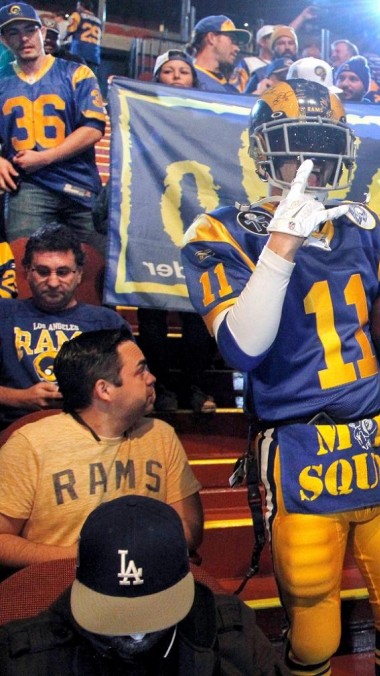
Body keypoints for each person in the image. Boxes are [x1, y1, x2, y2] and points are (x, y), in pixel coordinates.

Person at [181, 78, 380, 676]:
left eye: (323, 145)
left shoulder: (364, 227)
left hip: (375, 437)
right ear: (262, 150)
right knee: (313, 631)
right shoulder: (222, 229)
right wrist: (281, 245)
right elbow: (241, 347)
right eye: (295, 146)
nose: (310, 162)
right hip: (299, 441)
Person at [0, 494, 286, 674]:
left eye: (154, 613)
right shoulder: (22, 658)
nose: (137, 635)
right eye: (116, 616)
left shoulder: (232, 635)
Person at [0, 327, 203, 570]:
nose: (152, 378)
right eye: (141, 371)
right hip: (62, 586)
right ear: (104, 390)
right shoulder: (31, 444)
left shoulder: (161, 435)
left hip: (147, 579)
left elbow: (189, 527)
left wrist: (134, 555)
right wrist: (85, 557)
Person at [136, 50, 217, 413]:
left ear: (194, 80)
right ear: (157, 79)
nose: (175, 76)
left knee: (197, 309)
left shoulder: (206, 121)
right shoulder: (139, 117)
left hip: (195, 222)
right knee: (151, 309)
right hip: (151, 221)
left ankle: (194, 387)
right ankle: (163, 388)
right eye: (167, 71)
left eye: (183, 71)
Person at [0, 2, 107, 253]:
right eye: (14, 32)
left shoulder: (77, 72)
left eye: (29, 29)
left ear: (43, 32)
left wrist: (45, 158)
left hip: (79, 183)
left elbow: (93, 129)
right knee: (24, 265)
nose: (24, 38)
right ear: (4, 39)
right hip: (27, 186)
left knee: (100, 268)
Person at [0, 223, 128, 429]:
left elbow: (140, 391)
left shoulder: (108, 322)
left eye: (63, 272)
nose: (52, 282)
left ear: (78, 274)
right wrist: (20, 398)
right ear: (27, 272)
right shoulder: (4, 314)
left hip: (91, 434)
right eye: (42, 271)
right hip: (18, 430)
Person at [188, 14, 249, 93]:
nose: (237, 48)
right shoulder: (186, 78)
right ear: (211, 38)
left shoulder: (230, 88)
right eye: (233, 40)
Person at [244, 26, 297, 95]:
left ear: (296, 47)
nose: (287, 47)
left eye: (291, 43)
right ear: (273, 48)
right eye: (281, 43)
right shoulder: (259, 73)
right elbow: (243, 100)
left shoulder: (305, 71)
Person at [232, 23, 274, 93]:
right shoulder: (247, 63)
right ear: (261, 42)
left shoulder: (281, 65)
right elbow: (236, 94)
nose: (275, 42)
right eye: (272, 38)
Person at [62, 0, 100, 69]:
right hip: (94, 56)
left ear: (81, 6)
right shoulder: (98, 21)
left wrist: (64, 38)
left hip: (79, 52)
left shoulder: (77, 15)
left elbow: (70, 30)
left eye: (78, 5)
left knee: (73, 76)